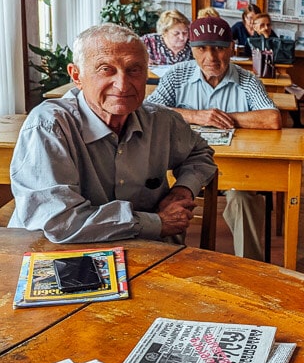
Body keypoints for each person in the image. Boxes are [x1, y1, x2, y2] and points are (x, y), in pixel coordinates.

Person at [8, 24, 217, 243]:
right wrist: (156, 223)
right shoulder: (49, 126)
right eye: (105, 69)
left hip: (145, 252)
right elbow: (60, 222)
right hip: (57, 252)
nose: (123, 84)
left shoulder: (162, 121)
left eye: (134, 70)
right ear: (77, 76)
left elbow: (200, 153)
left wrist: (183, 190)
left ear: (146, 74)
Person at [146, 17, 280, 261]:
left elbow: (271, 119)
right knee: (168, 198)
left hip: (235, 168)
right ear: (192, 49)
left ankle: (251, 269)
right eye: (201, 48)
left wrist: (223, 117)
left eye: (219, 47)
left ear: (231, 47)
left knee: (243, 199)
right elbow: (148, 111)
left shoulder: (246, 80)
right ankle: (167, 264)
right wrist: (196, 115)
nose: (211, 57)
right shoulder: (177, 76)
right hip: (181, 166)